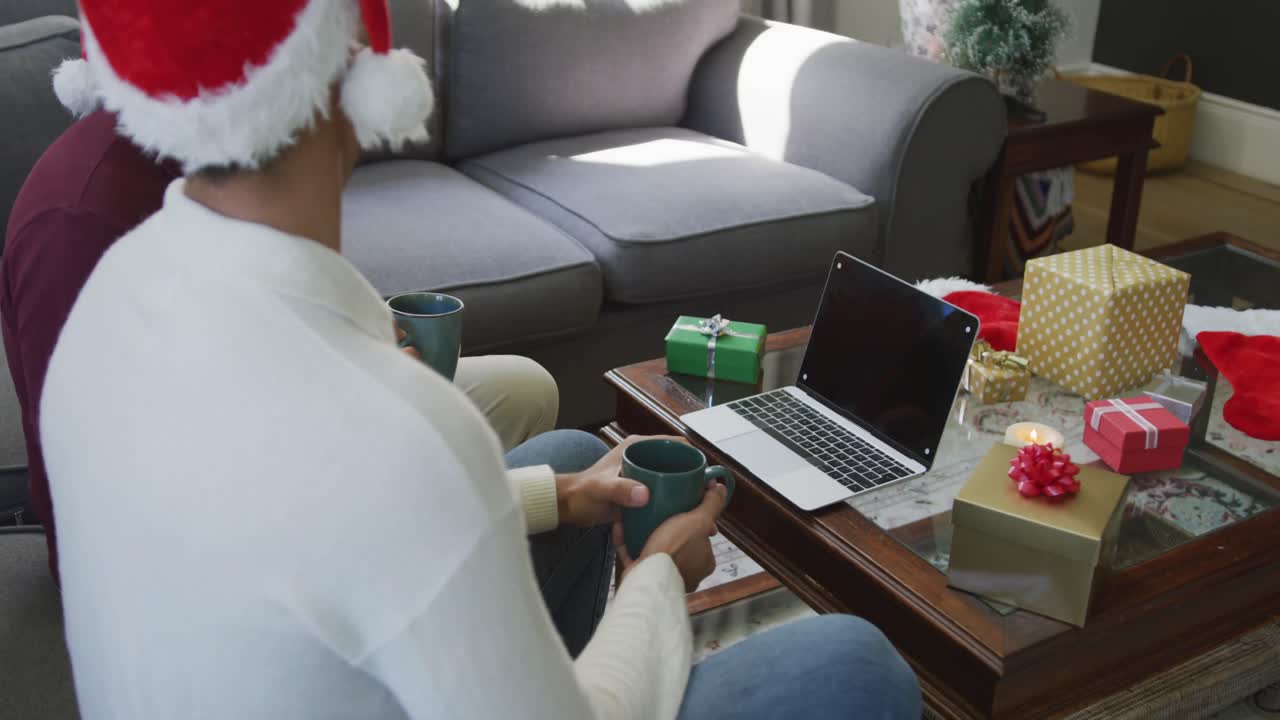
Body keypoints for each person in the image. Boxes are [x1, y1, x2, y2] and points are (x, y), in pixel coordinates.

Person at [38, 2, 922, 719]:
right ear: (351, 63)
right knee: (855, 662)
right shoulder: (397, 438)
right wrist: (657, 582)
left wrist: (550, 497)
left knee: (574, 465)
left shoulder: (109, 297)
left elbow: (284, 522)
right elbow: (366, 500)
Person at [2, 110, 556, 582]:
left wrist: (343, 341)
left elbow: (245, 333)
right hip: (182, 552)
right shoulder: (81, 222)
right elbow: (127, 495)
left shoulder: (217, 151)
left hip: (264, 444)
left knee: (525, 388)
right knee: (568, 469)